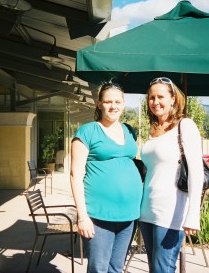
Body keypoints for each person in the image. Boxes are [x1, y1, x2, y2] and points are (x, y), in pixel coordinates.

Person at [70, 81, 143, 273]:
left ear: (124, 103)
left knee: (116, 267)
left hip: (129, 213)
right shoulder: (87, 132)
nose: (113, 106)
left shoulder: (129, 130)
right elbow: (75, 175)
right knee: (98, 268)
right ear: (99, 104)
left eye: (118, 102)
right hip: (99, 214)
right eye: (108, 101)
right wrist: (82, 217)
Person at [139, 77, 204, 273]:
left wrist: (193, 214)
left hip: (170, 212)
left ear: (173, 99)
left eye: (160, 97)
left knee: (163, 269)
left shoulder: (185, 125)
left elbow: (196, 172)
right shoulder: (153, 129)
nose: (155, 102)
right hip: (147, 210)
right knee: (155, 269)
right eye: (151, 97)